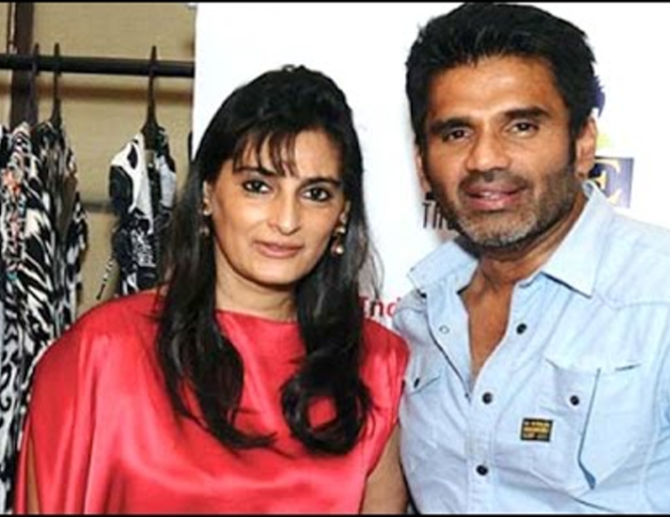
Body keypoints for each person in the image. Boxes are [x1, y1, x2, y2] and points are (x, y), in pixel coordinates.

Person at [394, 2, 670, 513]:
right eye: (457, 132)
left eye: (521, 126)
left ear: (583, 143)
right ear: (422, 164)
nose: (485, 158)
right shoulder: (419, 316)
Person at [14, 65, 409, 513]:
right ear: (207, 194)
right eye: (258, 186)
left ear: (343, 214)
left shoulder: (376, 367)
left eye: (315, 194)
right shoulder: (101, 351)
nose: (286, 220)